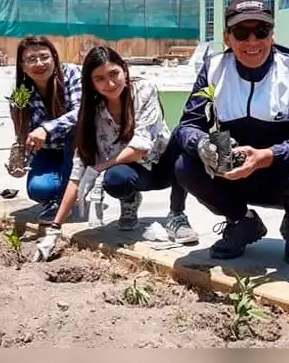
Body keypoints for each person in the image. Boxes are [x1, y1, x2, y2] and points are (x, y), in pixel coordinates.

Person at [172, 0, 289, 265]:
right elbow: (188, 125)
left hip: (284, 175)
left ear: (272, 34)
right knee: (184, 165)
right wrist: (202, 144)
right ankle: (241, 221)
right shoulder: (213, 68)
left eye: (261, 31)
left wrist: (268, 155)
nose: (252, 41)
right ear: (227, 38)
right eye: (241, 33)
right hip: (231, 174)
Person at [43, 45, 199, 245]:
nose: (109, 83)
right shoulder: (92, 111)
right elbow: (79, 170)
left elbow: (141, 147)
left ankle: (177, 214)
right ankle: (129, 200)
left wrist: (98, 169)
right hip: (135, 172)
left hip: (164, 166)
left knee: (181, 137)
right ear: (91, 83)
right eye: (99, 79)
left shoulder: (143, 90)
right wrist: (55, 228)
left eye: (113, 74)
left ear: (124, 69)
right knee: (115, 179)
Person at [9, 36, 82, 225]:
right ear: (22, 65)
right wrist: (20, 159)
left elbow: (82, 112)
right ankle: (64, 192)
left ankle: (67, 197)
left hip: (77, 149)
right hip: (48, 151)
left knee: (76, 131)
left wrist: (46, 128)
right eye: (31, 59)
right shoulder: (20, 93)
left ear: (54, 58)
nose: (39, 64)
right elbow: (23, 134)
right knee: (38, 190)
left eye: (44, 57)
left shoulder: (71, 73)